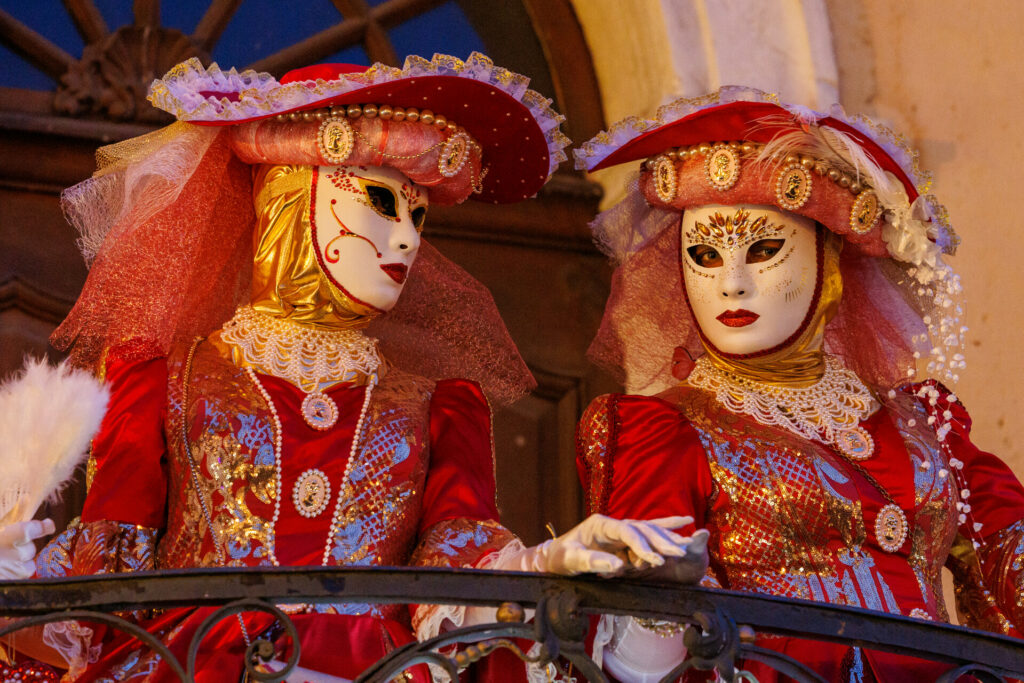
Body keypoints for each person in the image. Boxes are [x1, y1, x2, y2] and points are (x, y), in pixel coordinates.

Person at [0, 53, 695, 682]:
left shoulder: (438, 406)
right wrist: (11, 575)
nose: (406, 239)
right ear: (289, 198)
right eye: (381, 201)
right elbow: (108, 580)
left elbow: (459, 569)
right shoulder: (166, 377)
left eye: (419, 217)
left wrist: (545, 565)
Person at [571, 87, 1024, 682]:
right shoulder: (663, 431)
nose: (731, 283)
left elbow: (1008, 559)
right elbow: (642, 653)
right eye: (705, 255)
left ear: (830, 264)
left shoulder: (925, 422)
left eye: (763, 250)